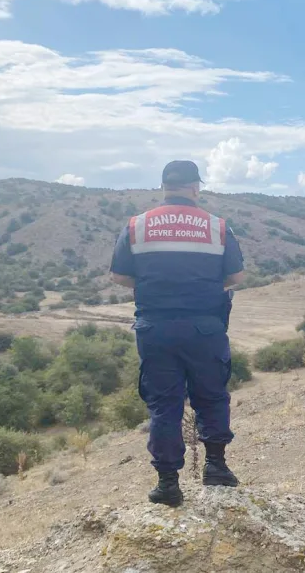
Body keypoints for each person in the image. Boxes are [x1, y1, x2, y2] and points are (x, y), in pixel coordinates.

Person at [109, 160, 246, 507]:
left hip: (155, 327)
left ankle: (167, 484)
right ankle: (216, 466)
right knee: (212, 396)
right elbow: (236, 277)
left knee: (164, 406)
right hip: (205, 326)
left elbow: (120, 277)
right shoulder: (217, 227)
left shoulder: (137, 226)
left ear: (164, 187)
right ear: (195, 188)